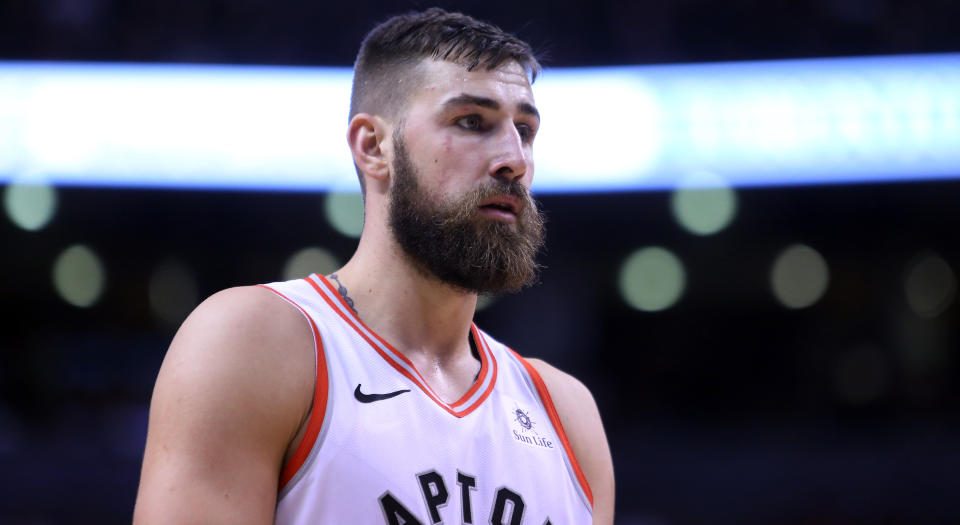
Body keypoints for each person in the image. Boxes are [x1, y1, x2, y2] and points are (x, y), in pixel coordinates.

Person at [134, 8, 614, 524]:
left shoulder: (566, 413)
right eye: (472, 122)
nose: (513, 158)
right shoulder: (256, 342)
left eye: (524, 129)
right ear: (373, 146)